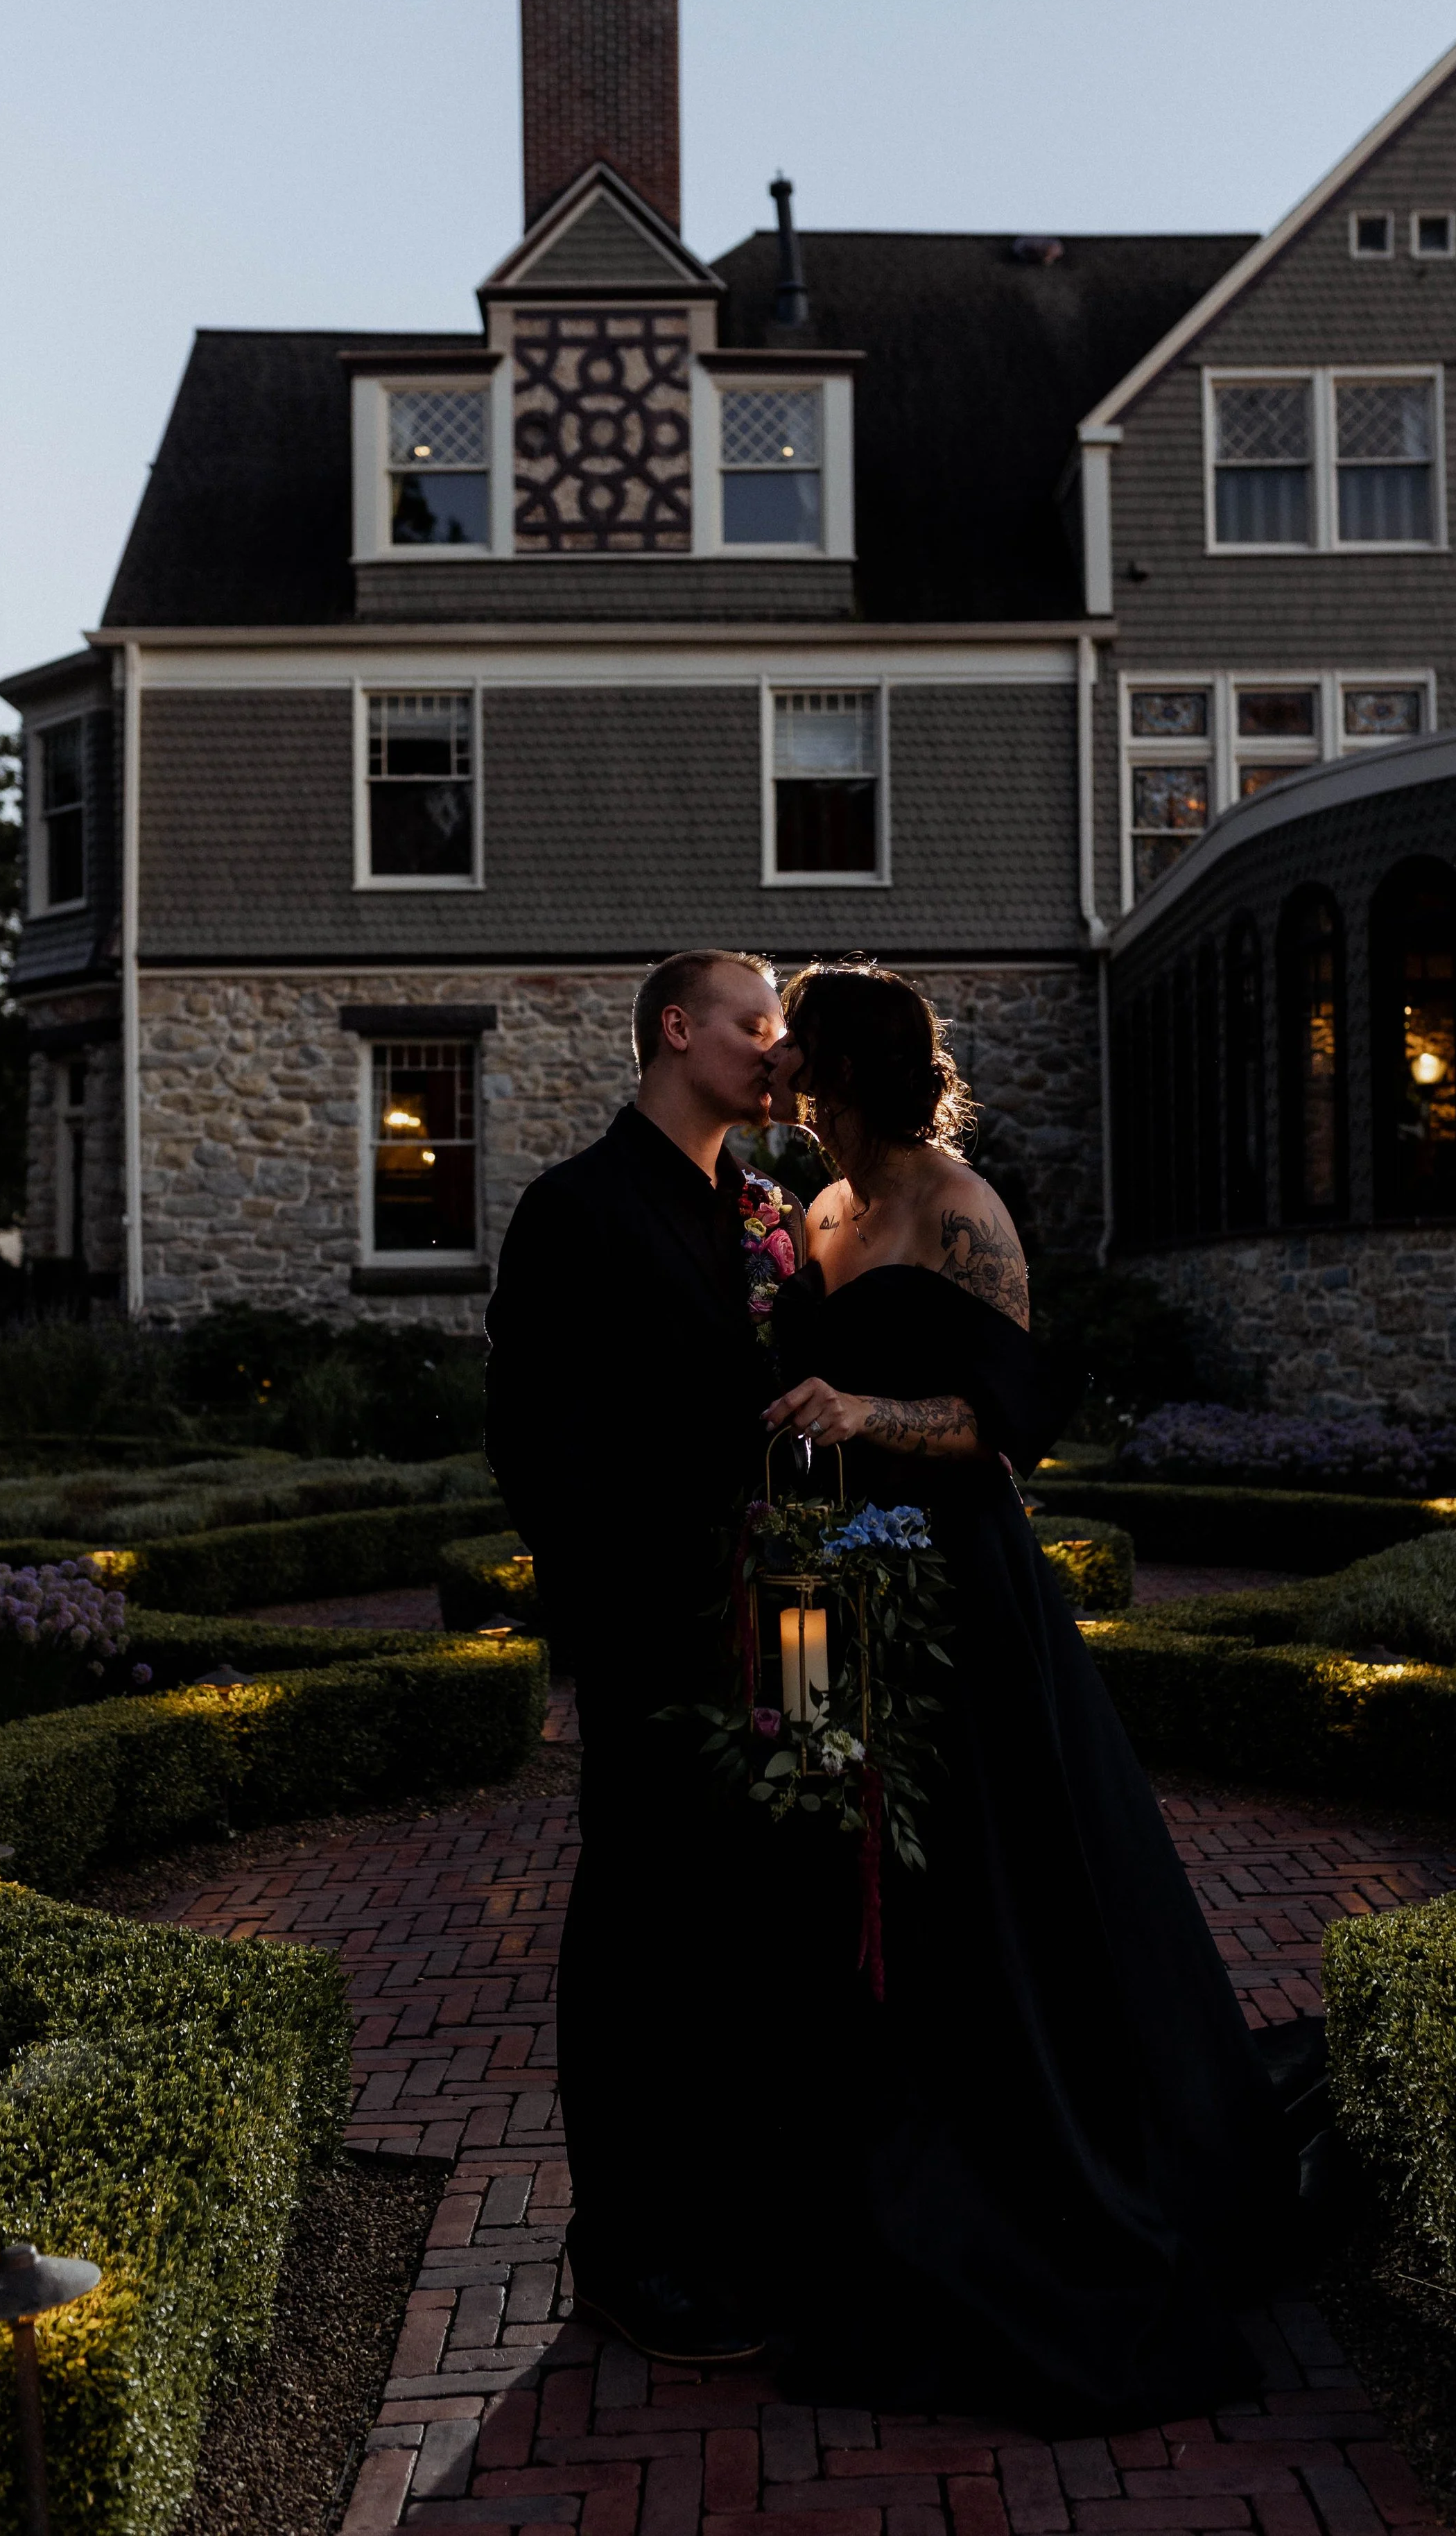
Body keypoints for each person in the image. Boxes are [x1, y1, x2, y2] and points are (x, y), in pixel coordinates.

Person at [758, 960, 1297, 2431]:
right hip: (817, 1580)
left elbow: (1006, 1429)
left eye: (797, 1041)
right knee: (828, 1829)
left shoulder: (960, 1210)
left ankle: (1016, 2163)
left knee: (978, 1857)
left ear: (846, 1064)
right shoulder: (814, 1211)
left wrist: (862, 1410)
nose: (779, 1061)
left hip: (953, 1579)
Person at [484, 948, 801, 2363]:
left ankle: (732, 2211)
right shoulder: (577, 1207)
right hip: (653, 1630)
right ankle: (622, 2248)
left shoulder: (769, 1210)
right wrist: (627, 1608)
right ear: (676, 1029)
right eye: (754, 1023)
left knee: (756, 1919)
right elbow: (534, 1441)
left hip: (790, 1626)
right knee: (641, 1925)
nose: (774, 1050)